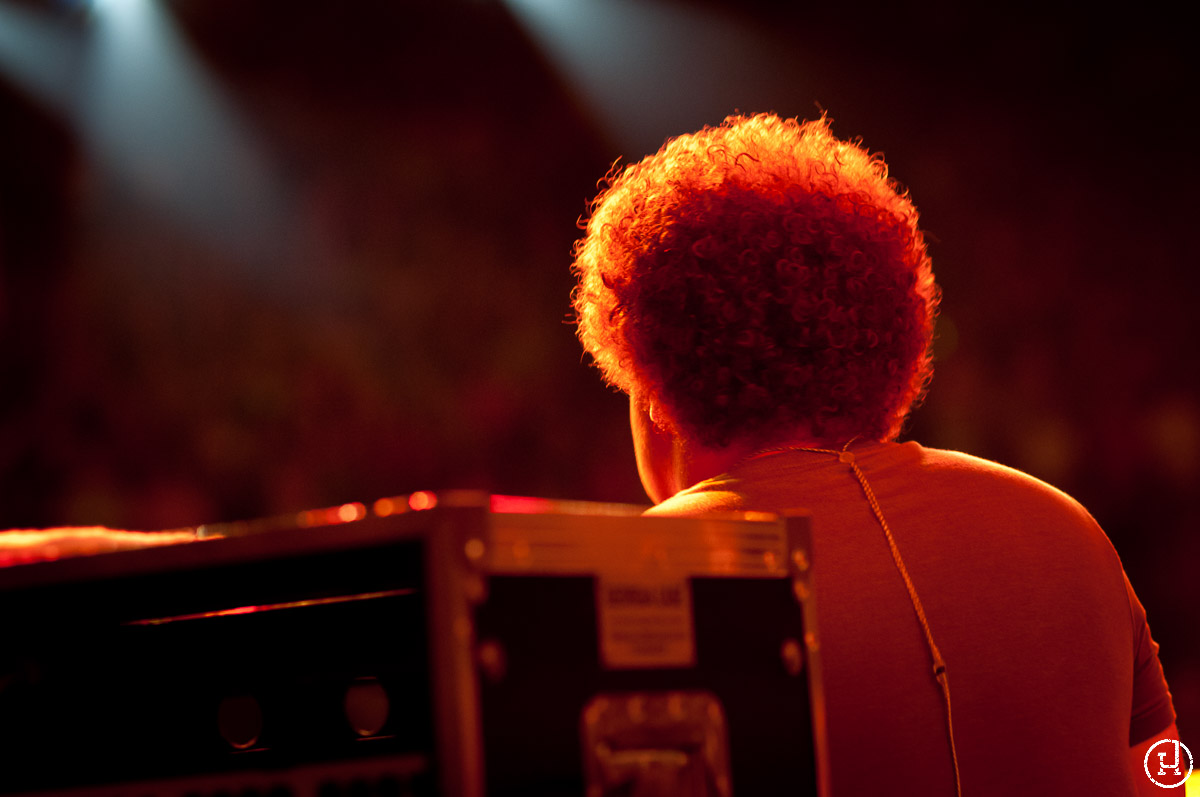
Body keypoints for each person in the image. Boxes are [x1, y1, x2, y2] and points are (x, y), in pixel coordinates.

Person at [570, 112, 1178, 796]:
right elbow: (1170, 773)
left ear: (650, 378)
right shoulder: (1069, 527)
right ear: (894, 334)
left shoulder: (628, 585)